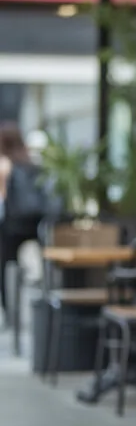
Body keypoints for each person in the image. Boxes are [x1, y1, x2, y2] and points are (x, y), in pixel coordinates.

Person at [0, 123, 46, 317]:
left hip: (11, 226)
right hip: (34, 223)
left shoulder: (4, 164)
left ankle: (8, 311)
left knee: (3, 266)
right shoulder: (31, 162)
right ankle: (40, 297)